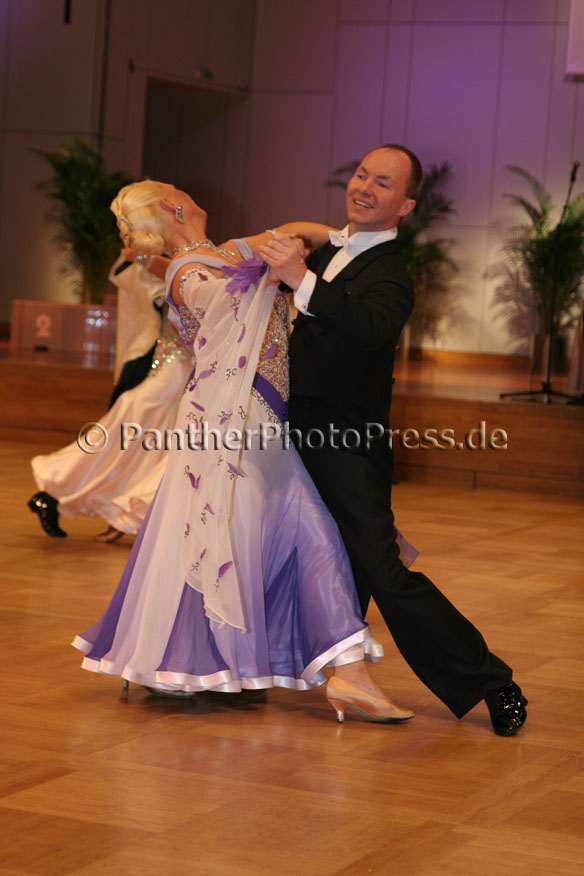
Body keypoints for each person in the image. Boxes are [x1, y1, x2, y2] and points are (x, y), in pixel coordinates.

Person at [72, 178, 416, 724]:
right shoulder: (185, 271)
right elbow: (219, 301)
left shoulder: (225, 252)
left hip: (263, 424)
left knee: (298, 533)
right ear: (173, 205)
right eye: (176, 187)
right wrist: (274, 274)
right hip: (229, 429)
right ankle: (317, 670)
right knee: (250, 537)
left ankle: (349, 674)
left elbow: (298, 233)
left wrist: (343, 241)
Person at [258, 143, 528, 737]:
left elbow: (367, 326)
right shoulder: (331, 252)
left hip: (346, 443)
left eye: (383, 183)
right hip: (294, 432)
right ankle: (285, 670)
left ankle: (492, 682)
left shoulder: (392, 275)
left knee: (381, 569)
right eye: (361, 175)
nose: (364, 187)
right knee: (298, 551)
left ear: (405, 205)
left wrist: (299, 279)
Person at [28, 282, 192, 542]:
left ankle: (118, 515)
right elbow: (180, 326)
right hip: (167, 381)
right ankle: (55, 490)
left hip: (174, 378)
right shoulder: (173, 276)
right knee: (117, 448)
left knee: (133, 452)